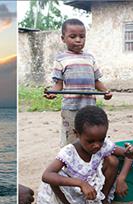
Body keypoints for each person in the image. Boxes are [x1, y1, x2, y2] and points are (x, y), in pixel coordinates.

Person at [37, 106, 133, 204]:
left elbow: (129, 155)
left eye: (101, 140)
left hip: (91, 187)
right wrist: (80, 183)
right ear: (76, 134)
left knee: (113, 160)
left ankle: (103, 200)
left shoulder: (103, 145)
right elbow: (46, 175)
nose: (97, 145)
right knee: (55, 178)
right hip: (72, 190)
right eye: (90, 141)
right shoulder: (68, 152)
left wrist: (121, 178)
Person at [43, 18, 112, 146]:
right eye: (73, 36)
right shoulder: (61, 60)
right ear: (63, 38)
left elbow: (96, 80)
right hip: (71, 108)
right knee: (71, 138)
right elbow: (58, 84)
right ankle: (69, 162)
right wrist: (52, 93)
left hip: (89, 107)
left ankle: (88, 160)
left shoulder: (90, 58)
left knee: (89, 136)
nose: (78, 40)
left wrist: (105, 91)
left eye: (82, 36)